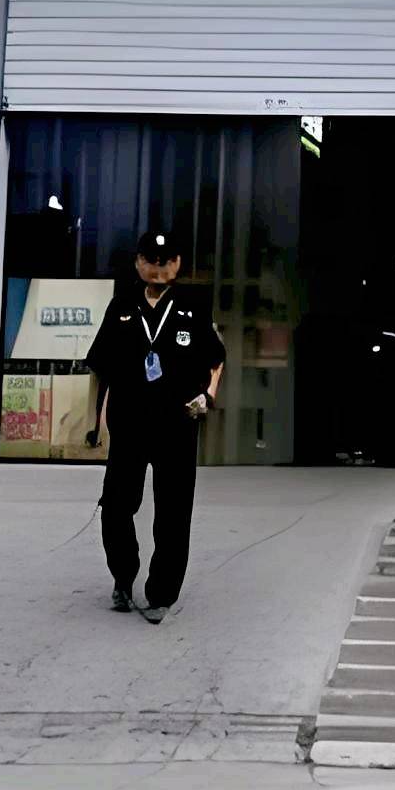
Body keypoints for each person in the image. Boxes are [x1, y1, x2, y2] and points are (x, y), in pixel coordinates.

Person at [84, 227, 223, 622]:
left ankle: (161, 593)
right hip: (129, 424)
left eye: (165, 261)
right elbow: (100, 367)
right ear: (138, 263)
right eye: (150, 260)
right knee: (115, 506)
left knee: (173, 513)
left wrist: (208, 396)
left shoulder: (193, 306)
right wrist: (93, 423)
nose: (158, 268)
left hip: (176, 425)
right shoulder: (121, 306)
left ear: (177, 264)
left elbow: (216, 359)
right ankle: (123, 576)